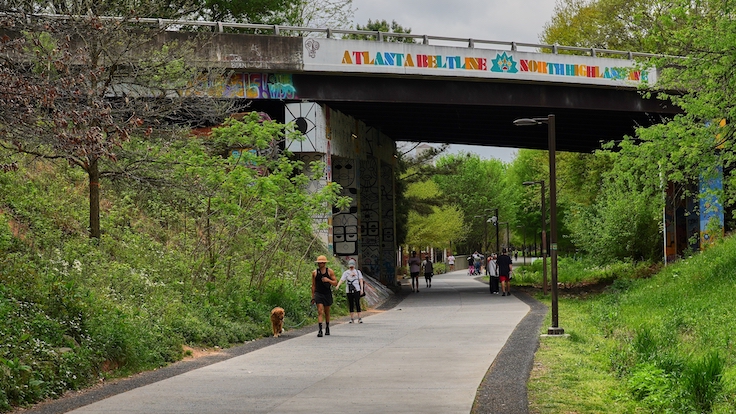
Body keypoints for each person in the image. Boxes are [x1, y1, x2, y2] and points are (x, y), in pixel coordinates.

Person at [311, 255, 337, 337]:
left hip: (327, 293)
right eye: (319, 263)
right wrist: (313, 296)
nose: (320, 264)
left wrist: (328, 280)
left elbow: (335, 282)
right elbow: (313, 285)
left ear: (325, 263)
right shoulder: (315, 273)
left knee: (327, 311)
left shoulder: (329, 271)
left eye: (321, 262)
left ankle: (328, 327)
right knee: (320, 311)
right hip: (318, 293)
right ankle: (320, 330)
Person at [336, 259, 365, 323]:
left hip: (356, 289)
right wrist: (338, 285)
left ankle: (359, 318)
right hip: (349, 290)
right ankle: (352, 318)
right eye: (350, 266)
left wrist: (361, 289)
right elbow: (342, 279)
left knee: (357, 303)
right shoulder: (346, 273)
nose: (351, 267)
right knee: (351, 303)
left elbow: (361, 280)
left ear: (354, 265)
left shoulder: (358, 272)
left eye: (352, 266)